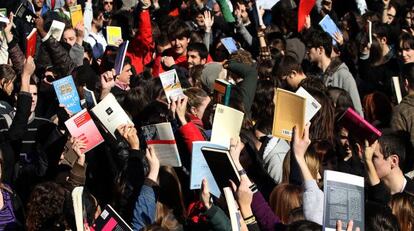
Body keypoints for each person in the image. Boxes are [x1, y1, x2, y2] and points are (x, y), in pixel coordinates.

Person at [305, 30, 363, 116]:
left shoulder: (344, 75)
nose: (307, 51)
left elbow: (357, 112)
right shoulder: (311, 75)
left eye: (310, 47)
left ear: (320, 50)